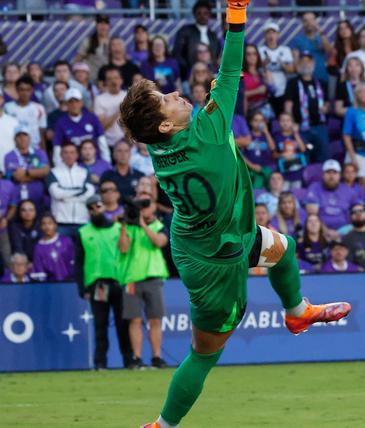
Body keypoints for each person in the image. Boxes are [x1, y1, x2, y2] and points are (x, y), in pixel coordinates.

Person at [119, 6, 351, 427]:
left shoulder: (158, 143)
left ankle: (297, 312)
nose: (176, 95)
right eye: (166, 100)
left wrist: (201, 100)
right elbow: (230, 69)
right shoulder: (209, 131)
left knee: (284, 249)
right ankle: (162, 425)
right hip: (215, 264)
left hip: (207, 235)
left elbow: (161, 118)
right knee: (203, 354)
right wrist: (237, 13)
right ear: (166, 126)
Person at [75, 196, 131, 371]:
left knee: (123, 323)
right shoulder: (83, 232)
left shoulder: (117, 228)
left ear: (104, 207)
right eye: (90, 208)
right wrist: (82, 287)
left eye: (97, 206)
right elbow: (79, 262)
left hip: (118, 282)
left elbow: (126, 251)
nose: (95, 210)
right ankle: (100, 362)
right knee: (100, 324)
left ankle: (129, 360)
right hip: (98, 284)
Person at [118, 192, 170, 370]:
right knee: (135, 320)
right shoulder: (129, 227)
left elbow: (159, 242)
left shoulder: (159, 226)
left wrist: (142, 225)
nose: (143, 209)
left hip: (153, 277)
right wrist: (124, 225)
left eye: (146, 205)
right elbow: (123, 248)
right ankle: (137, 357)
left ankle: (156, 357)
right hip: (132, 279)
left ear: (154, 207)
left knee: (155, 320)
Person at [282, 51, 329, 163]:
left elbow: (327, 102)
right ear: (298, 64)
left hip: (320, 127)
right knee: (304, 158)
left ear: (313, 63)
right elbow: (288, 106)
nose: (305, 64)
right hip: (301, 128)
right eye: (302, 61)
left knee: (323, 158)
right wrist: (292, 123)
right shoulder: (292, 83)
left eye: (308, 61)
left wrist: (326, 108)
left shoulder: (321, 82)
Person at [48, 143, 95, 236]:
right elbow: (56, 194)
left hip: (82, 220)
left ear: (77, 155)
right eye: (66, 152)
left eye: (72, 152)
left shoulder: (84, 172)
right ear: (61, 155)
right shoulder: (53, 172)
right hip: (61, 222)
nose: (69, 155)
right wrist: (80, 190)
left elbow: (89, 194)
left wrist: (65, 197)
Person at [51, 88, 105, 167]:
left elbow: (102, 141)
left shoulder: (92, 118)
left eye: (77, 101)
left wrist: (106, 161)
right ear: (66, 104)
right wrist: (59, 167)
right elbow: (57, 147)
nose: (74, 105)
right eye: (71, 102)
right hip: (73, 165)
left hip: (94, 162)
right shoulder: (61, 123)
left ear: (81, 103)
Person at [306, 159, 362, 233]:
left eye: (335, 172)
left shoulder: (347, 190)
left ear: (339, 175)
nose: (331, 176)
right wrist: (326, 231)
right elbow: (312, 214)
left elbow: (359, 208)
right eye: (328, 172)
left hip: (345, 230)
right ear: (323, 175)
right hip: (320, 230)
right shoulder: (315, 188)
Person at [171, 1, 220, 79]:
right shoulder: (185, 31)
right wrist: (188, 68)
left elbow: (216, 54)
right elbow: (176, 53)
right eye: (199, 13)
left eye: (205, 13)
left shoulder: (213, 35)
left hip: (211, 74)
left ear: (209, 15)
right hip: (190, 75)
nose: (202, 16)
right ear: (194, 15)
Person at [5, 128, 49, 209]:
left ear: (29, 138)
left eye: (25, 135)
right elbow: (17, 177)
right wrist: (37, 174)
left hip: (39, 196)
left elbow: (45, 172)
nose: (22, 138)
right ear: (14, 139)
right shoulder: (9, 156)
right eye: (19, 136)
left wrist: (26, 172)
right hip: (17, 199)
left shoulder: (39, 153)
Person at [258, 21, 294, 113]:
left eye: (273, 32)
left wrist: (282, 64)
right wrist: (264, 63)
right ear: (265, 36)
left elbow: (292, 70)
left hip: (283, 90)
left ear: (278, 35)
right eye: (268, 33)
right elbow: (254, 68)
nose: (271, 36)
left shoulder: (285, 50)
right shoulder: (260, 50)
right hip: (265, 91)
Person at [3, 77, 47, 150]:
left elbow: (41, 133)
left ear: (32, 90)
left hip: (34, 148)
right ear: (17, 90)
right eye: (21, 89)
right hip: (13, 148)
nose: (25, 93)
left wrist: (44, 152)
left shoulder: (39, 108)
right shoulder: (7, 108)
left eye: (28, 90)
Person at [288, 12, 330, 84]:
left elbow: (328, 51)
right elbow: (296, 64)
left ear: (315, 22)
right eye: (306, 21)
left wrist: (321, 32)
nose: (309, 23)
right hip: (305, 81)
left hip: (322, 78)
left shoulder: (322, 38)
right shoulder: (297, 40)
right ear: (303, 23)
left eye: (311, 20)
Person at [93, 67, 126, 147]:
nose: (113, 81)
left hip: (127, 143)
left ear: (121, 80)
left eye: (116, 78)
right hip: (109, 143)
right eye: (109, 79)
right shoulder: (99, 99)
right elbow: (101, 126)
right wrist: (118, 112)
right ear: (106, 82)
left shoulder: (129, 96)